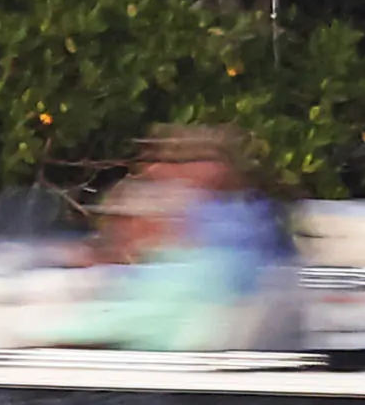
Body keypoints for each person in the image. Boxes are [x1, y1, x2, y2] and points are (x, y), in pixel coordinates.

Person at [67, 127, 287, 349]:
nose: (153, 169)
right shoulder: (199, 234)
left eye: (175, 161)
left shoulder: (221, 248)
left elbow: (129, 318)